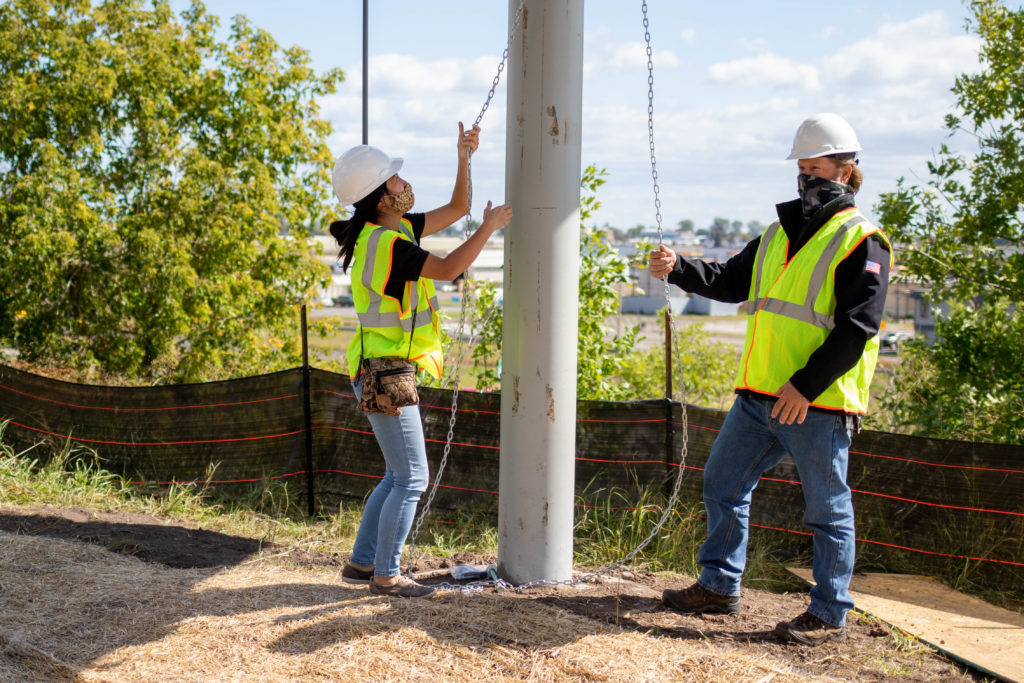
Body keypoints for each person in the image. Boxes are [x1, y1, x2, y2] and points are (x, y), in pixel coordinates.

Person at [649, 113, 892, 645]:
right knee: (723, 485)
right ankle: (718, 586)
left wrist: (803, 388)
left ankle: (829, 614)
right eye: (801, 168)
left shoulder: (862, 240)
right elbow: (732, 281)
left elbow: (856, 329)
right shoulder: (777, 233)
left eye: (817, 168)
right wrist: (679, 267)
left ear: (847, 171)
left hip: (816, 402)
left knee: (827, 511)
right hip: (759, 394)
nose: (807, 178)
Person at [330, 123, 512, 599]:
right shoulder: (389, 245)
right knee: (412, 477)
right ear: (380, 196)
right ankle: (386, 575)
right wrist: (490, 231)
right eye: (392, 179)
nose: (401, 183)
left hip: (378, 365)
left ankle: (361, 564)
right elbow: (451, 269)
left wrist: (464, 156)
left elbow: (458, 209)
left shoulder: (391, 229)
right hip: (384, 368)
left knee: (396, 474)